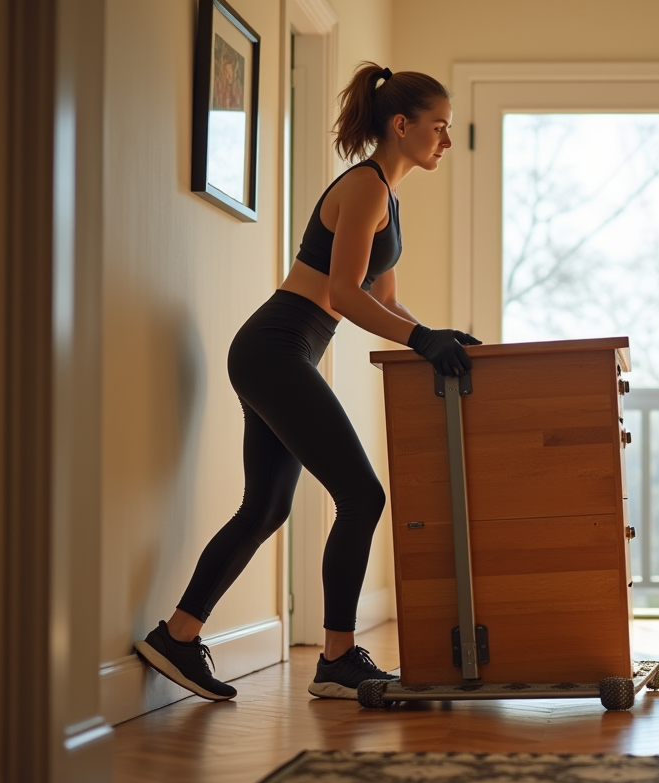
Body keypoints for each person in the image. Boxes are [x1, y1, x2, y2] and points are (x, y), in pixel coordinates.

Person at [134, 63, 478, 701]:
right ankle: (338, 659)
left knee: (266, 506)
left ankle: (177, 636)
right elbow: (345, 295)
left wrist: (433, 335)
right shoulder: (366, 187)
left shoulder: (386, 197)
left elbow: (383, 297)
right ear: (402, 126)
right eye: (440, 127)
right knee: (363, 496)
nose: (446, 141)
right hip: (277, 347)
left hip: (282, 350)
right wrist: (417, 342)